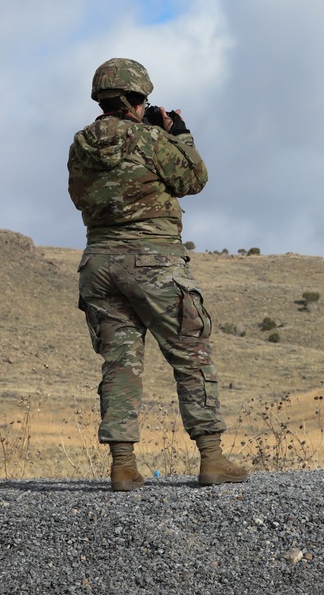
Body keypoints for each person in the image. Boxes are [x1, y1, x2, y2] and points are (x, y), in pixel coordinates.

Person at [67, 57, 247, 491]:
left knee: (120, 363)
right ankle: (211, 458)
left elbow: (78, 197)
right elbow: (195, 179)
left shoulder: (80, 145)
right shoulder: (149, 139)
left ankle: (123, 465)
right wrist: (179, 135)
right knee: (191, 353)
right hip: (154, 262)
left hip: (99, 265)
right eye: (142, 100)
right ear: (134, 99)